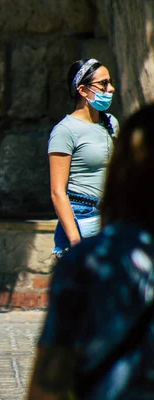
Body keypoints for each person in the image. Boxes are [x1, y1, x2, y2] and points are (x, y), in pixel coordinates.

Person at [28, 104, 154, 399]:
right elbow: (58, 190)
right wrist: (74, 237)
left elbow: (48, 384)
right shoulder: (65, 131)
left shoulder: (92, 261)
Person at [48, 58, 119, 258]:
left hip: (109, 216)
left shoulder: (111, 123)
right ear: (82, 90)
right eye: (103, 84)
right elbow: (57, 192)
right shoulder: (65, 131)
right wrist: (75, 241)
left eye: (110, 82)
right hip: (82, 215)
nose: (111, 89)